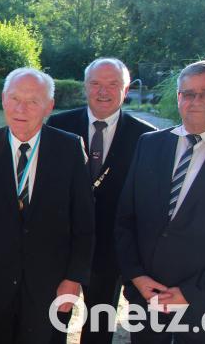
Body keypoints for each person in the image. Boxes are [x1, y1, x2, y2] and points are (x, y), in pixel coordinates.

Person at [115, 60, 205, 343]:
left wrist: (191, 293)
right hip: (148, 295)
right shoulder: (149, 144)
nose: (195, 101)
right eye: (187, 93)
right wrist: (137, 277)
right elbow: (125, 219)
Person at [0, 68, 95, 343]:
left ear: (49, 107)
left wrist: (73, 278)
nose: (22, 108)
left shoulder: (69, 148)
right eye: (15, 98)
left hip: (52, 283)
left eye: (33, 101)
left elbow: (84, 221)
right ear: (3, 99)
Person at [46, 58, 155, 343]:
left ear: (126, 88)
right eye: (95, 83)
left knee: (99, 326)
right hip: (61, 245)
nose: (103, 91)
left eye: (113, 84)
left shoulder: (146, 136)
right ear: (85, 86)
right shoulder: (59, 125)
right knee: (54, 322)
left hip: (112, 249)